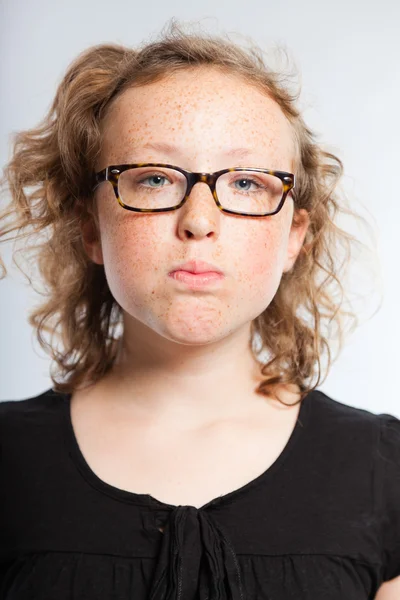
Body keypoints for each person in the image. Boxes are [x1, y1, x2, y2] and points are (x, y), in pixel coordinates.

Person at [0, 20, 399, 600]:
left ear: (295, 236)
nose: (199, 220)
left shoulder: (383, 472)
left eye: (244, 183)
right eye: (156, 178)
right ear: (91, 228)